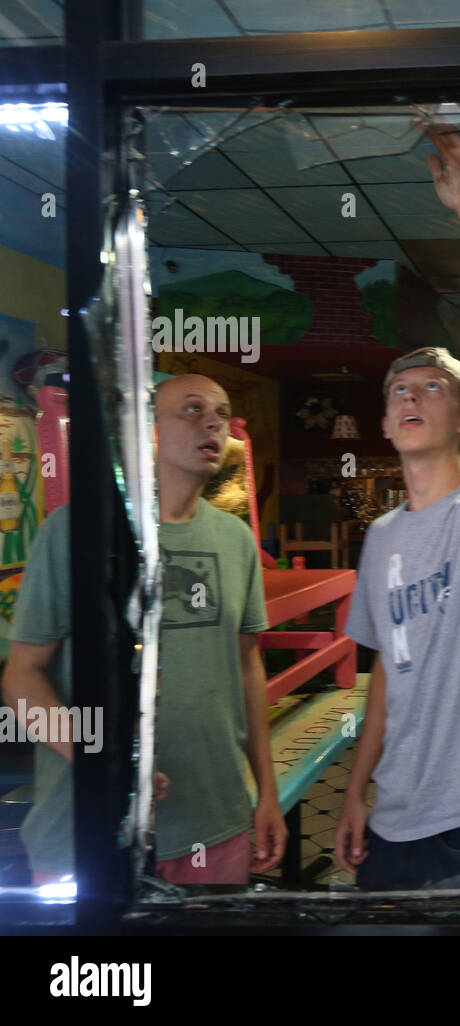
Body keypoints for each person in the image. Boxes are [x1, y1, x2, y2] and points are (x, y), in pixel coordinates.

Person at [333, 124, 460, 890]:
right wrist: (357, 790)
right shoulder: (382, 540)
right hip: (391, 819)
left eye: (434, 388)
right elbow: (388, 670)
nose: (411, 395)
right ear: (385, 425)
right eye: (398, 391)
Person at [2, 373, 287, 885]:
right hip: (86, 830)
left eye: (222, 414)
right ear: (145, 429)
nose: (213, 423)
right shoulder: (72, 533)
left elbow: (247, 665)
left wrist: (266, 793)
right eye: (193, 409)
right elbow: (22, 677)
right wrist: (102, 759)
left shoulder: (236, 539)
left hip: (215, 822)